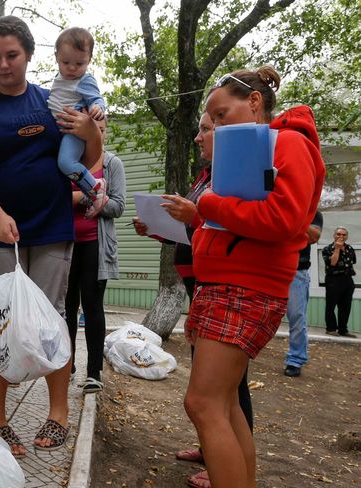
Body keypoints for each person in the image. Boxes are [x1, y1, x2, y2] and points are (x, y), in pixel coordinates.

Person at [0, 15, 102, 456]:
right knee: (4, 318)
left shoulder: (53, 101)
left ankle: (57, 414)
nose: (2, 65)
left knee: (52, 318)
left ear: (30, 56)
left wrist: (91, 132)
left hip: (52, 226)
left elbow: (90, 159)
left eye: (11, 55)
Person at [183, 66, 325, 488]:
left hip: (245, 287)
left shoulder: (289, 143)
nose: (217, 127)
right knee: (223, 405)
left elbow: (284, 220)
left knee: (203, 403)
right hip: (230, 283)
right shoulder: (251, 151)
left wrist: (209, 205)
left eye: (222, 115)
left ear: (255, 103)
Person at [135, 112, 255, 488]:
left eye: (206, 129)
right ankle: (212, 449)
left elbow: (232, 228)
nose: (198, 138)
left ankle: (225, 460)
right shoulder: (206, 177)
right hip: (199, 282)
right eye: (200, 128)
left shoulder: (235, 175)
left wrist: (195, 213)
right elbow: (191, 230)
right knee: (216, 393)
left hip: (223, 285)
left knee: (224, 391)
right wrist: (156, 228)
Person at [65, 117, 126, 393]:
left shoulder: (112, 164)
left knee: (92, 307)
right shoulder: (67, 161)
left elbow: (118, 206)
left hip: (95, 245)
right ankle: (66, 365)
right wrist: (89, 195)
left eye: (100, 131)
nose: (96, 135)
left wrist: (83, 198)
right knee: (65, 307)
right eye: (91, 131)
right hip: (65, 245)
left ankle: (94, 372)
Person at [48, 27, 108, 217]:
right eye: (66, 62)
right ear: (56, 57)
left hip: (73, 131)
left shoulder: (85, 80)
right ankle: (92, 190)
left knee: (66, 163)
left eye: (79, 63)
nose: (72, 68)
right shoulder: (59, 78)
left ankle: (95, 188)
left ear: (89, 60)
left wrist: (97, 108)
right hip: (60, 130)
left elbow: (97, 99)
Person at [284, 211, 323, 377]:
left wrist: (290, 219)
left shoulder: (313, 213)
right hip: (271, 267)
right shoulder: (278, 205)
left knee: (296, 317)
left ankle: (295, 359)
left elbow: (314, 236)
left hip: (297, 271)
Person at [322, 227, 357, 337]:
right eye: (338, 234)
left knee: (345, 306)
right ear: (334, 235)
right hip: (333, 280)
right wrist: (337, 248)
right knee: (331, 305)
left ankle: (343, 329)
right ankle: (331, 328)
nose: (341, 236)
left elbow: (353, 262)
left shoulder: (350, 249)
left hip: (347, 280)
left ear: (347, 237)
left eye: (343, 235)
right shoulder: (327, 249)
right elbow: (332, 263)